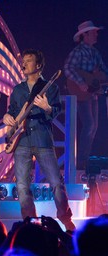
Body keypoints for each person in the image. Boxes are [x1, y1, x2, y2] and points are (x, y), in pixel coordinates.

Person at [2, 49, 76, 232]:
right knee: (22, 185)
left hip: (42, 138)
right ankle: (29, 223)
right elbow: (12, 112)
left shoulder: (50, 87)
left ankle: (66, 219)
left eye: (28, 61)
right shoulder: (18, 89)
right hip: (22, 139)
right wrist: (7, 117)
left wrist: (47, 107)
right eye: (23, 61)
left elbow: (56, 111)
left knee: (56, 182)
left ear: (38, 66)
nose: (24, 64)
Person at [64, 20, 108, 170]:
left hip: (92, 94)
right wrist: (81, 82)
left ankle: (84, 161)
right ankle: (81, 163)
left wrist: (99, 82)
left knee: (94, 126)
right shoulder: (78, 51)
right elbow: (68, 68)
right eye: (93, 32)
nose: (96, 34)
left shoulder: (95, 53)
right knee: (89, 125)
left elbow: (102, 72)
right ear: (85, 35)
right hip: (81, 94)